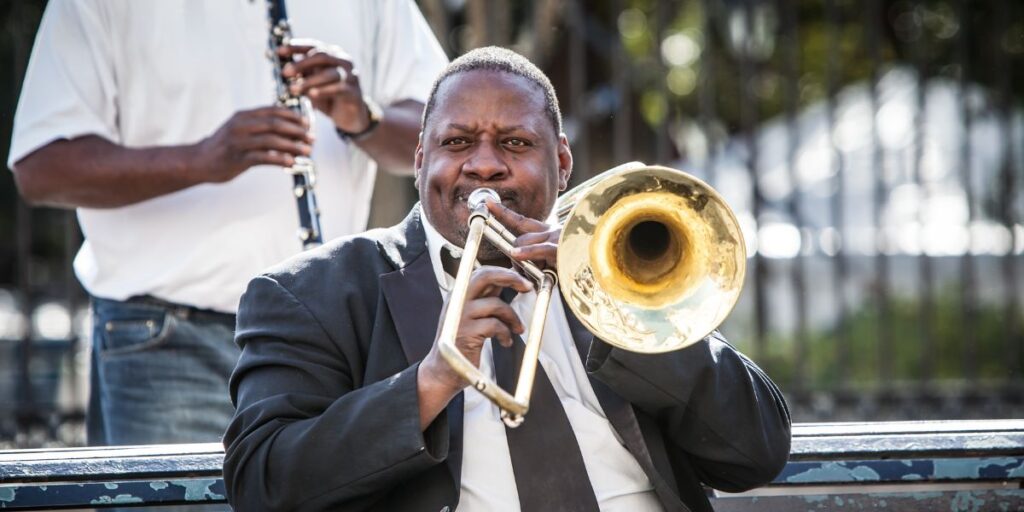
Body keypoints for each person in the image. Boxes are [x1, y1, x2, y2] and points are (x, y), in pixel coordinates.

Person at [224, 47, 791, 512]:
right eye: (457, 142)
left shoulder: (616, 267)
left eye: (516, 143)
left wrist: (613, 311)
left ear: (562, 162)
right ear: (420, 158)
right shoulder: (310, 293)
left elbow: (755, 452)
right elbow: (262, 483)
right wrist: (431, 381)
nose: (486, 164)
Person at [7, 0, 448, 447]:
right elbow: (41, 167)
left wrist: (364, 117)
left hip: (327, 330)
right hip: (169, 338)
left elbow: (442, 133)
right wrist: (200, 160)